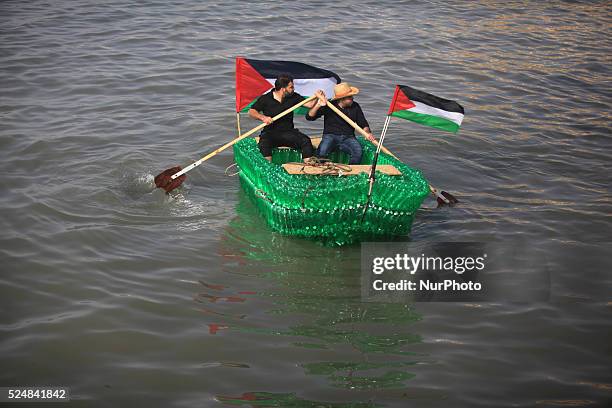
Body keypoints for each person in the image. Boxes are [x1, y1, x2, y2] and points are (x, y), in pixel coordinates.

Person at [248, 74, 323, 162]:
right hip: (270, 132)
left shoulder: (293, 97)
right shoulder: (266, 98)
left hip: (288, 132)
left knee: (305, 141)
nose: (293, 89)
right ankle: (267, 169)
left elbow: (309, 104)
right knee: (264, 145)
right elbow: (251, 112)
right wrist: (263, 117)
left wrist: (317, 96)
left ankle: (308, 166)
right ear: (283, 89)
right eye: (291, 87)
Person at [306, 82, 376, 165]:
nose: (352, 98)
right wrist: (318, 105)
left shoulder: (355, 106)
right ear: (342, 99)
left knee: (358, 152)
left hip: (348, 137)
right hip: (330, 135)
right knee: (322, 152)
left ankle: (351, 173)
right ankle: (320, 171)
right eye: (350, 97)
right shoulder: (329, 106)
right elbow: (309, 117)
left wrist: (367, 132)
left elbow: (363, 123)